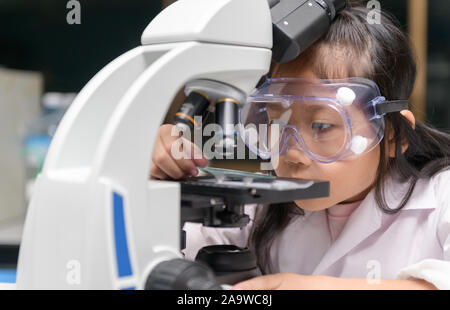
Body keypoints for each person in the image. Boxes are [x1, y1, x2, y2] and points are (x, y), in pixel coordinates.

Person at [150, 2, 450, 290]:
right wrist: (151, 179)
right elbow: (158, 256)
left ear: (393, 137)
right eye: (278, 123)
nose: (291, 152)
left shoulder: (441, 198)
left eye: (322, 126)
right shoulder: (258, 207)